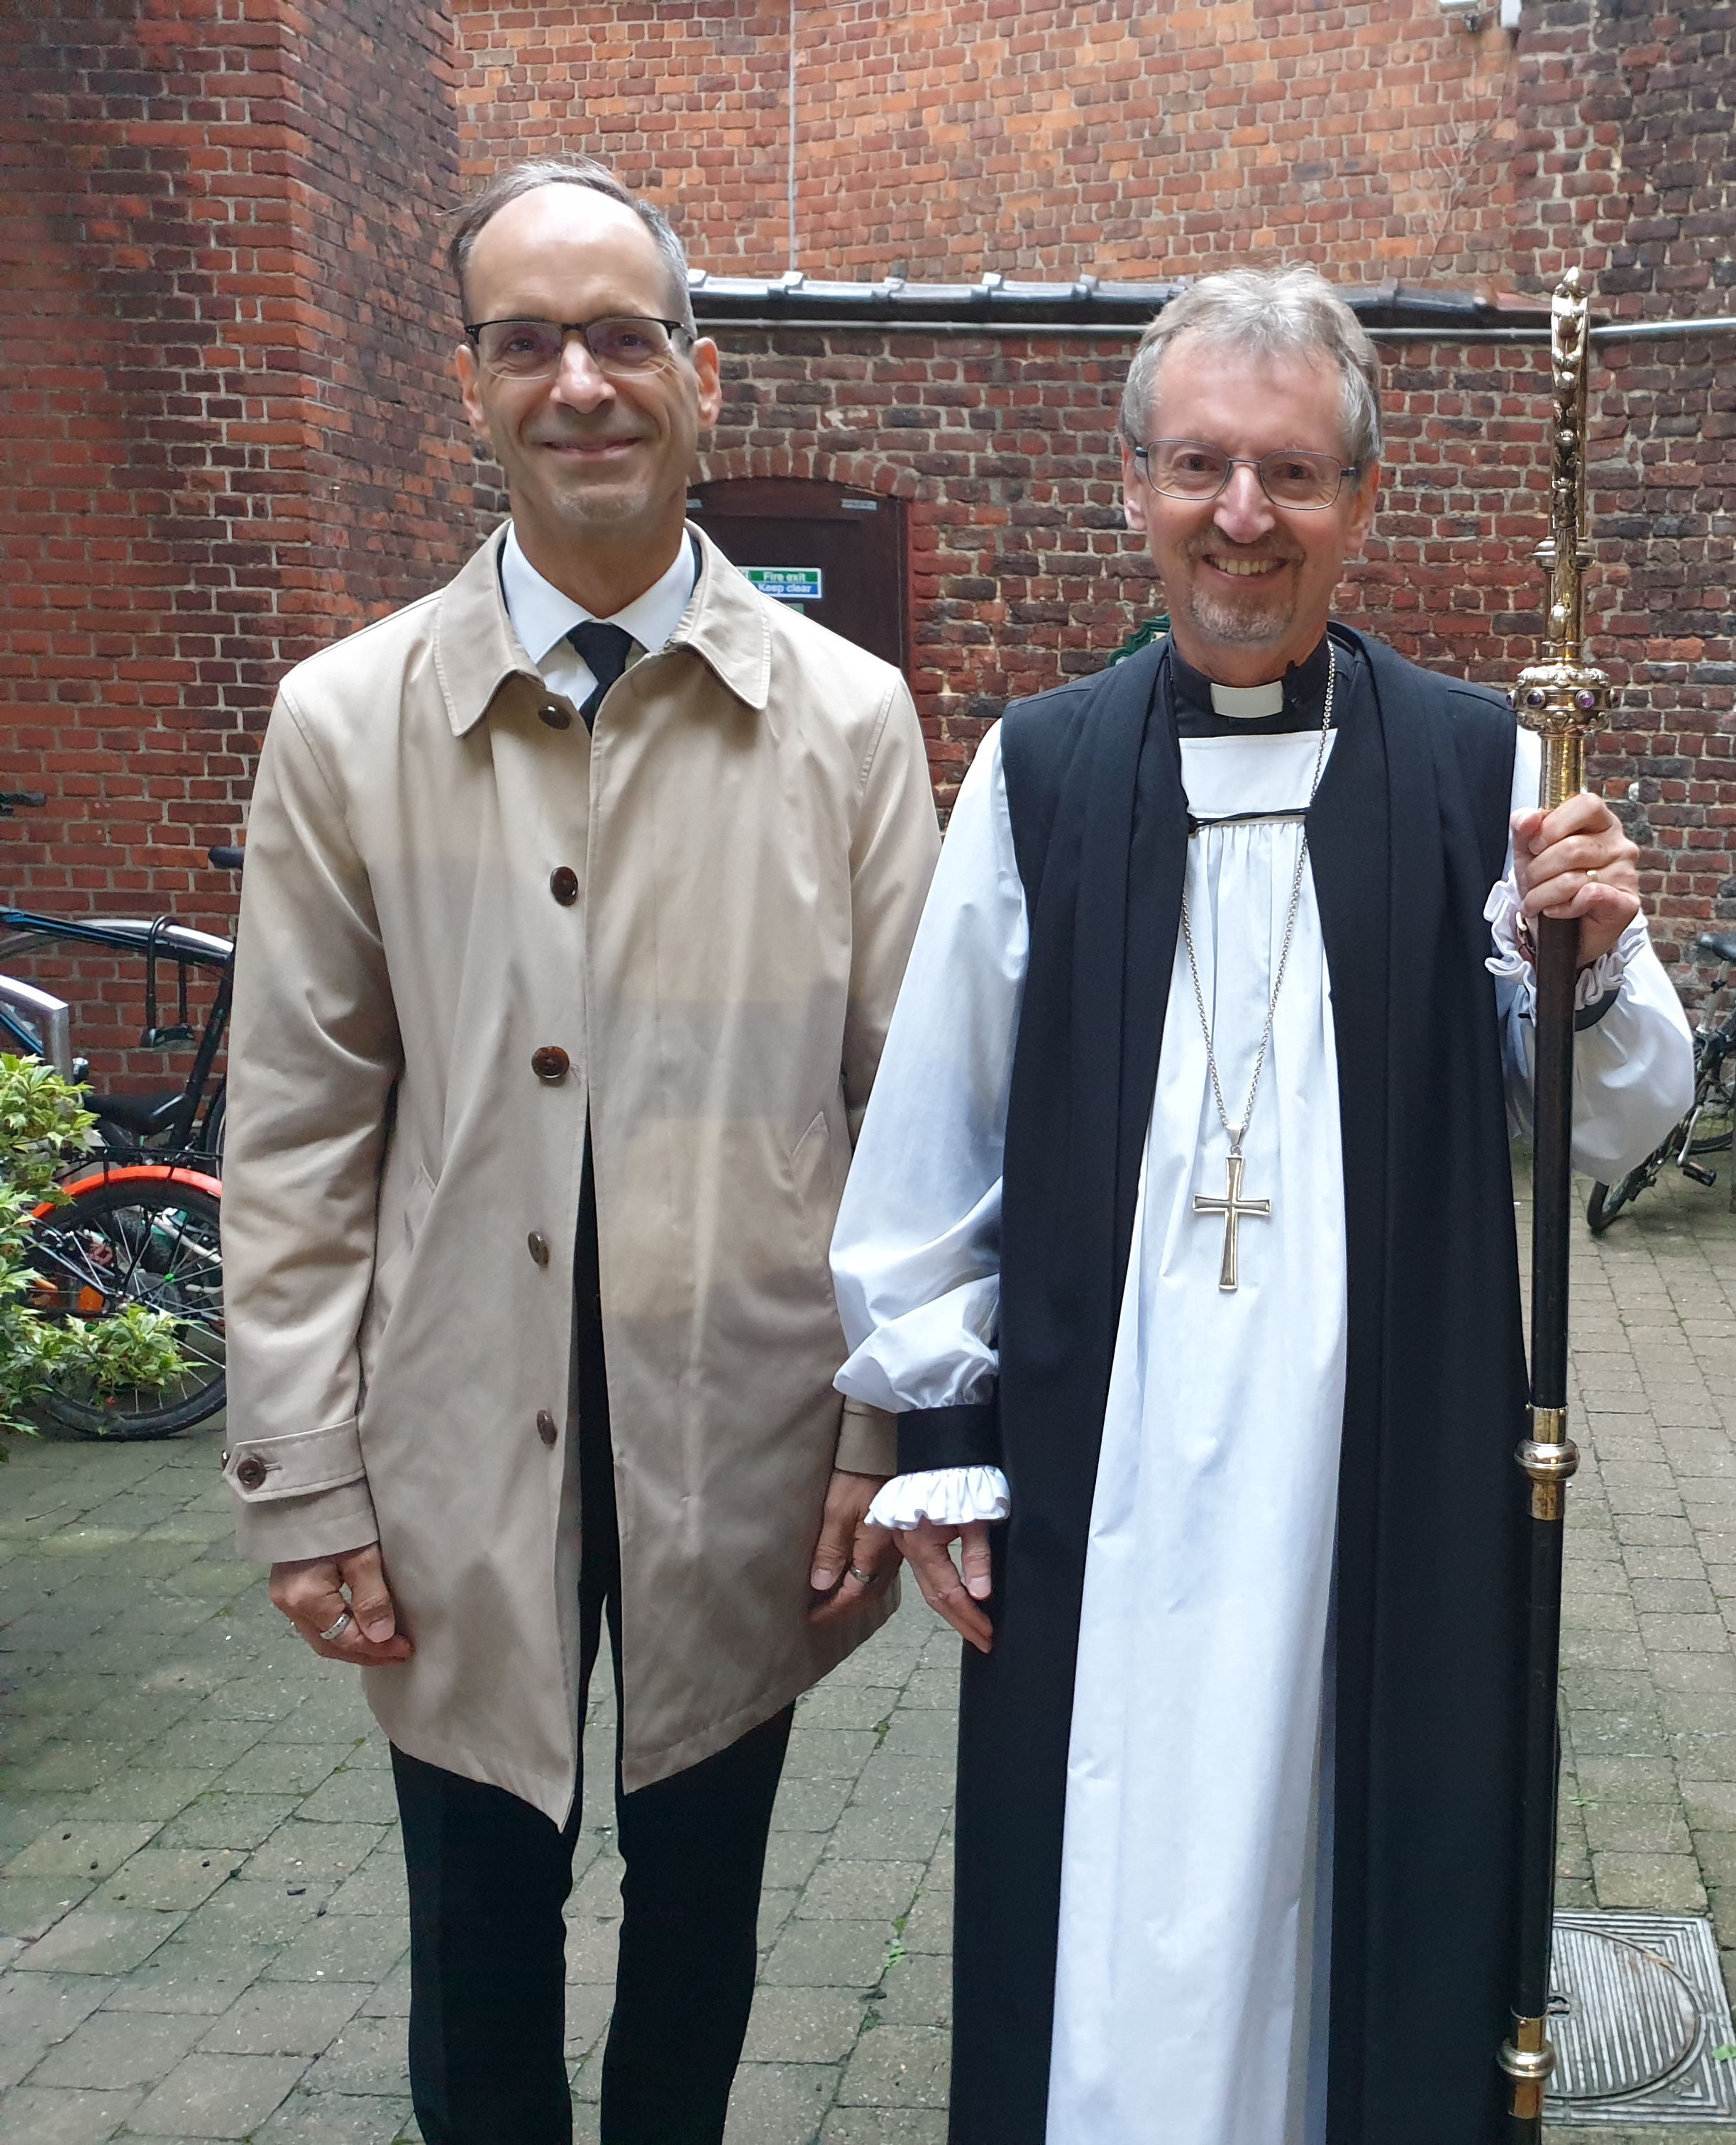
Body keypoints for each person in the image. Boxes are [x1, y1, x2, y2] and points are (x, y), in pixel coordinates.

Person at [827, 265, 1693, 2144]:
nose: (1243, 516)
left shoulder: (1490, 774)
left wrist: (1598, 961)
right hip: (1105, 1468)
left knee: (1359, 1887)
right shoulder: (1041, 776)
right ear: (1134, 485)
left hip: (1379, 1473)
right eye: (1203, 466)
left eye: (1292, 475)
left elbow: (1621, 1125)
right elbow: (932, 1141)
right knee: (1116, 1891)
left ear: (1361, 505)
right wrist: (947, 1434)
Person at [220, 157, 939, 2144]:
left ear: (703, 377)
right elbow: (293, 1130)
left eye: (625, 337)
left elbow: (911, 1119)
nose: (581, 383)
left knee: (703, 1923)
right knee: (477, 1937)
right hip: (452, 1442)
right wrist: (300, 1473)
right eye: (528, 342)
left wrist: (882, 1443)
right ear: (472, 387)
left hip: (752, 1433)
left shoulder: (852, 725)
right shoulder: (346, 724)